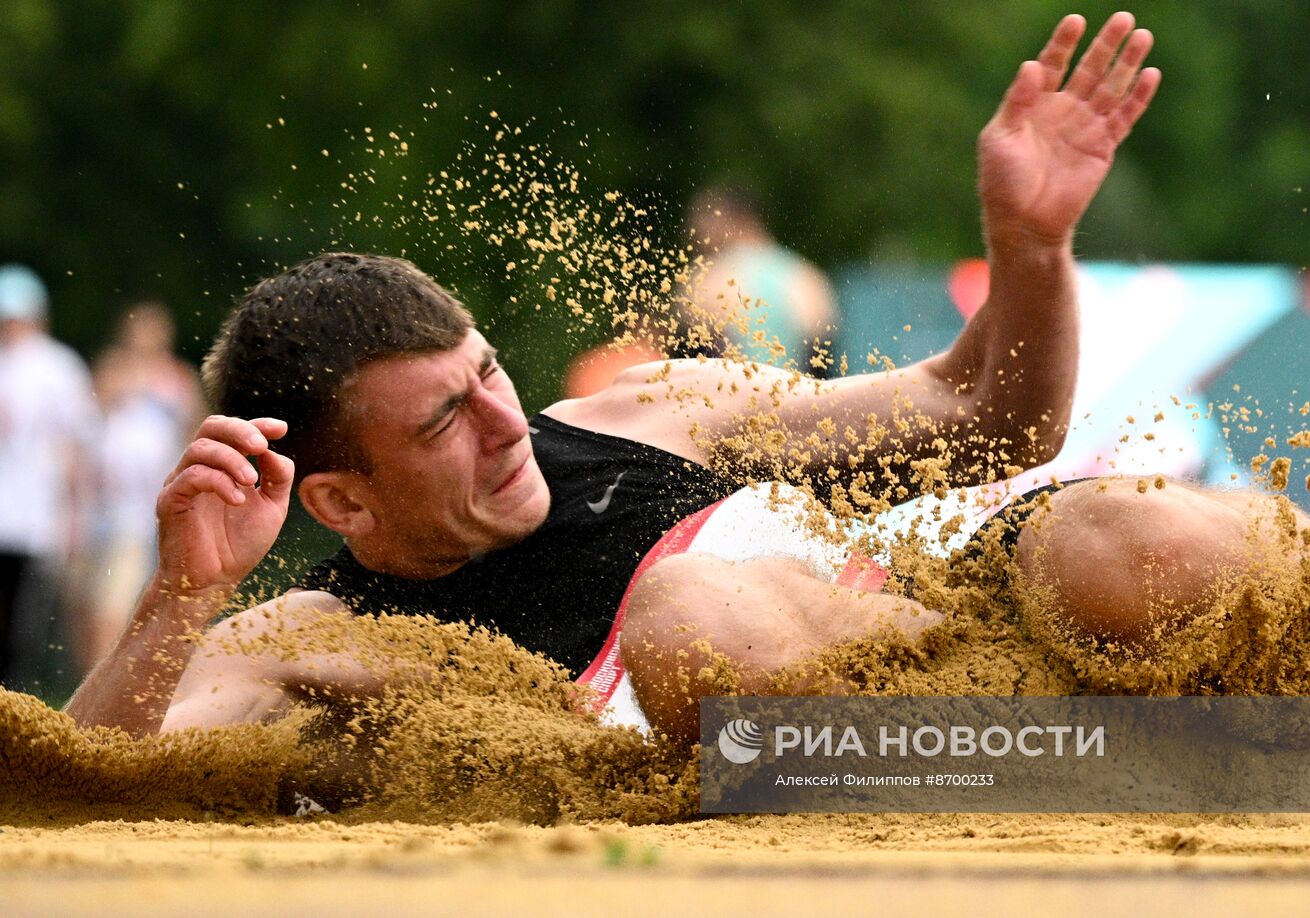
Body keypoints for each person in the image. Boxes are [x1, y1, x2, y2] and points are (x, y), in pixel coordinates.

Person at [69, 14, 1202, 748]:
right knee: (684, 614)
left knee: (1113, 529)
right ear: (343, 502)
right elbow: (80, 790)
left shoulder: (647, 407)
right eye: (446, 421)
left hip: (957, 644)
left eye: (490, 373)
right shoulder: (314, 635)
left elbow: (990, 422)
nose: (508, 423)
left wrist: (1029, 248)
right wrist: (180, 599)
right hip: (816, 734)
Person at [70, 302, 203, 675]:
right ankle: (89, 684)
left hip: (138, 511)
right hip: (96, 508)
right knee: (81, 608)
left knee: (109, 607)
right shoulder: (112, 370)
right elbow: (86, 422)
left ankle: (101, 689)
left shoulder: (177, 379)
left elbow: (193, 432)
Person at [0, 265, 98, 694]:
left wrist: (76, 512)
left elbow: (75, 447)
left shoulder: (57, 368)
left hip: (32, 519)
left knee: (19, 631)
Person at [680, 184, 837, 371]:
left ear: (730, 219)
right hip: (798, 394)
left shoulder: (709, 278)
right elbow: (824, 344)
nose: (696, 234)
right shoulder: (806, 277)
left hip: (729, 392)